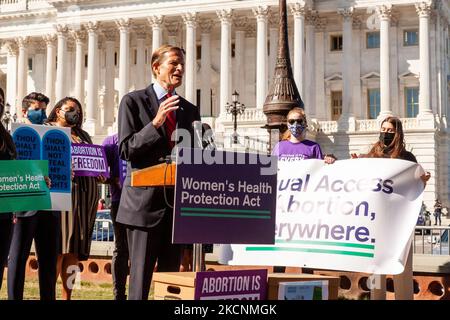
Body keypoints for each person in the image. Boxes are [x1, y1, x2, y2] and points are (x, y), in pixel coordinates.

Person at [117, 44, 200, 300]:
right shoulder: (133, 101)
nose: (180, 68)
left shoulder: (189, 109)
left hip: (175, 208)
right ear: (156, 67)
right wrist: (155, 124)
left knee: (171, 283)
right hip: (143, 206)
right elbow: (126, 149)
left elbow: (193, 155)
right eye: (174, 63)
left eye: (182, 64)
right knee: (140, 281)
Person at [353, 116, 431, 300]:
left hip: (399, 222)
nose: (385, 133)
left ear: (398, 134)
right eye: (383, 130)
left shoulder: (407, 158)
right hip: (376, 222)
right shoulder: (372, 156)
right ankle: (376, 297)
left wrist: (423, 181)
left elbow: (415, 188)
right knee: (376, 269)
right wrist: (355, 165)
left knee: (402, 266)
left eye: (390, 131)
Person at [7, 93, 61, 300]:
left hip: (50, 204)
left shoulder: (53, 135)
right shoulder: (12, 136)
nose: (42, 113)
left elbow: (58, 163)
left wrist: (66, 172)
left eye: (44, 110)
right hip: (24, 203)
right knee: (18, 258)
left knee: (48, 259)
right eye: (37, 109)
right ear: (24, 111)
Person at [45, 97, 100, 300]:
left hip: (86, 198)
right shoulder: (48, 129)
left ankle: (67, 295)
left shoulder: (83, 134)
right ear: (58, 111)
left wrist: (100, 172)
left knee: (74, 252)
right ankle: (49, 293)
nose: (75, 113)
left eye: (78, 110)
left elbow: (94, 161)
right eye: (70, 109)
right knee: (59, 248)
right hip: (61, 196)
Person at [272, 107, 335, 274]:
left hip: (305, 207)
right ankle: (275, 287)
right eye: (291, 121)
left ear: (305, 123)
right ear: (287, 124)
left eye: (299, 121)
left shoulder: (313, 147)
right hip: (283, 207)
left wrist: (329, 161)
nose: (295, 124)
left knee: (306, 253)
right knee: (281, 253)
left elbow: (321, 175)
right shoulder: (279, 147)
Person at [102, 132, 129, 300]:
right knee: (121, 248)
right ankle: (119, 294)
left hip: (143, 201)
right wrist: (115, 179)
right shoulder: (111, 141)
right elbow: (101, 174)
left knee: (139, 250)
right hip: (120, 201)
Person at [0, 89, 16, 292]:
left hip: (4, 213)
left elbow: (15, 168)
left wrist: (38, 180)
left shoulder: (5, 135)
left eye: (1, 100)